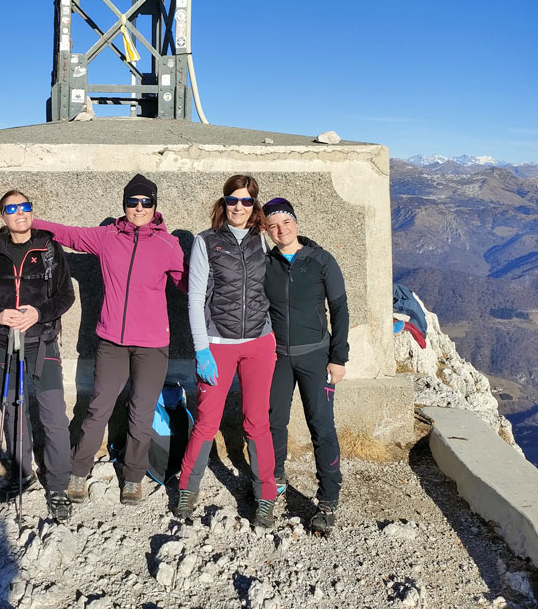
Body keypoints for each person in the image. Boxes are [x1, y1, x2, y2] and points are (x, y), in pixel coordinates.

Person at [33, 174, 186, 506]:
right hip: (112, 342)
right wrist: (29, 220)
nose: (139, 208)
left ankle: (132, 478)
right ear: (124, 205)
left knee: (141, 413)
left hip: (152, 345)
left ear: (155, 206)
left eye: (146, 202)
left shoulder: (168, 245)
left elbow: (188, 284)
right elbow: (68, 235)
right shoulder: (107, 237)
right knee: (98, 408)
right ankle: (78, 472)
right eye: (133, 202)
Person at [173, 174, 278, 527]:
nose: (239, 207)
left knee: (257, 421)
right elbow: (195, 299)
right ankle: (187, 488)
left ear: (254, 206)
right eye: (233, 200)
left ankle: (265, 495)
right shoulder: (206, 242)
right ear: (224, 203)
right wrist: (201, 350)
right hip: (218, 345)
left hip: (260, 344)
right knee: (206, 421)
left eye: (247, 201)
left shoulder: (264, 241)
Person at [0, 190, 76, 521]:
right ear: (2, 217)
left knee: (54, 417)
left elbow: (65, 296)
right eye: (12, 209)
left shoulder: (49, 250)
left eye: (25, 207)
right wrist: (1, 316)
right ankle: (22, 474)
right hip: (4, 344)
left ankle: (58, 486)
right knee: (14, 412)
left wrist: (39, 313)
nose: (20, 213)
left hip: (41, 342)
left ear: (32, 212)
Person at [263, 197, 349, 534]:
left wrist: (338, 357)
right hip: (277, 357)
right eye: (273, 225)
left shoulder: (321, 260)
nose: (281, 230)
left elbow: (340, 309)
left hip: (316, 356)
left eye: (285, 222)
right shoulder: (265, 263)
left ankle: (328, 500)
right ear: (267, 231)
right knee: (273, 422)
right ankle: (275, 481)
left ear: (296, 223)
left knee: (322, 426)